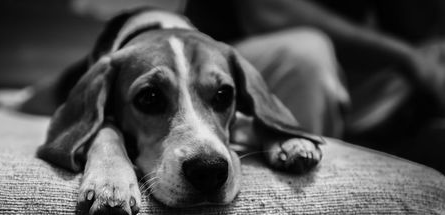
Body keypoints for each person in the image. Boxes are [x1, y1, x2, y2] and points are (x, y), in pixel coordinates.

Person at [185, 0, 445, 142]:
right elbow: (270, 12)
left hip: (357, 75)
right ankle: (306, 197)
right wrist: (407, 56)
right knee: (305, 54)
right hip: (229, 58)